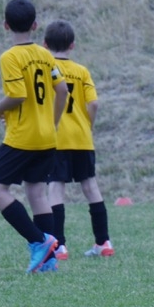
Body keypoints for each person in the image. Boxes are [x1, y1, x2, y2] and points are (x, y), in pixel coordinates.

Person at [0, 0, 69, 273]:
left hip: (22, 137)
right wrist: (52, 122)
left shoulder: (10, 57)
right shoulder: (45, 54)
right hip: (47, 137)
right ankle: (49, 261)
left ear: (5, 25)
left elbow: (17, 95)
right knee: (37, 193)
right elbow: (62, 90)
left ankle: (39, 241)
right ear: (35, 25)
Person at [42, 19, 114, 258]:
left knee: (55, 189)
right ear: (72, 45)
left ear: (44, 44)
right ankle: (103, 242)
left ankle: (59, 245)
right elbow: (94, 104)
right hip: (82, 138)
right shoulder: (82, 71)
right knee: (91, 187)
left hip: (56, 138)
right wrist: (87, 126)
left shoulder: (46, 70)